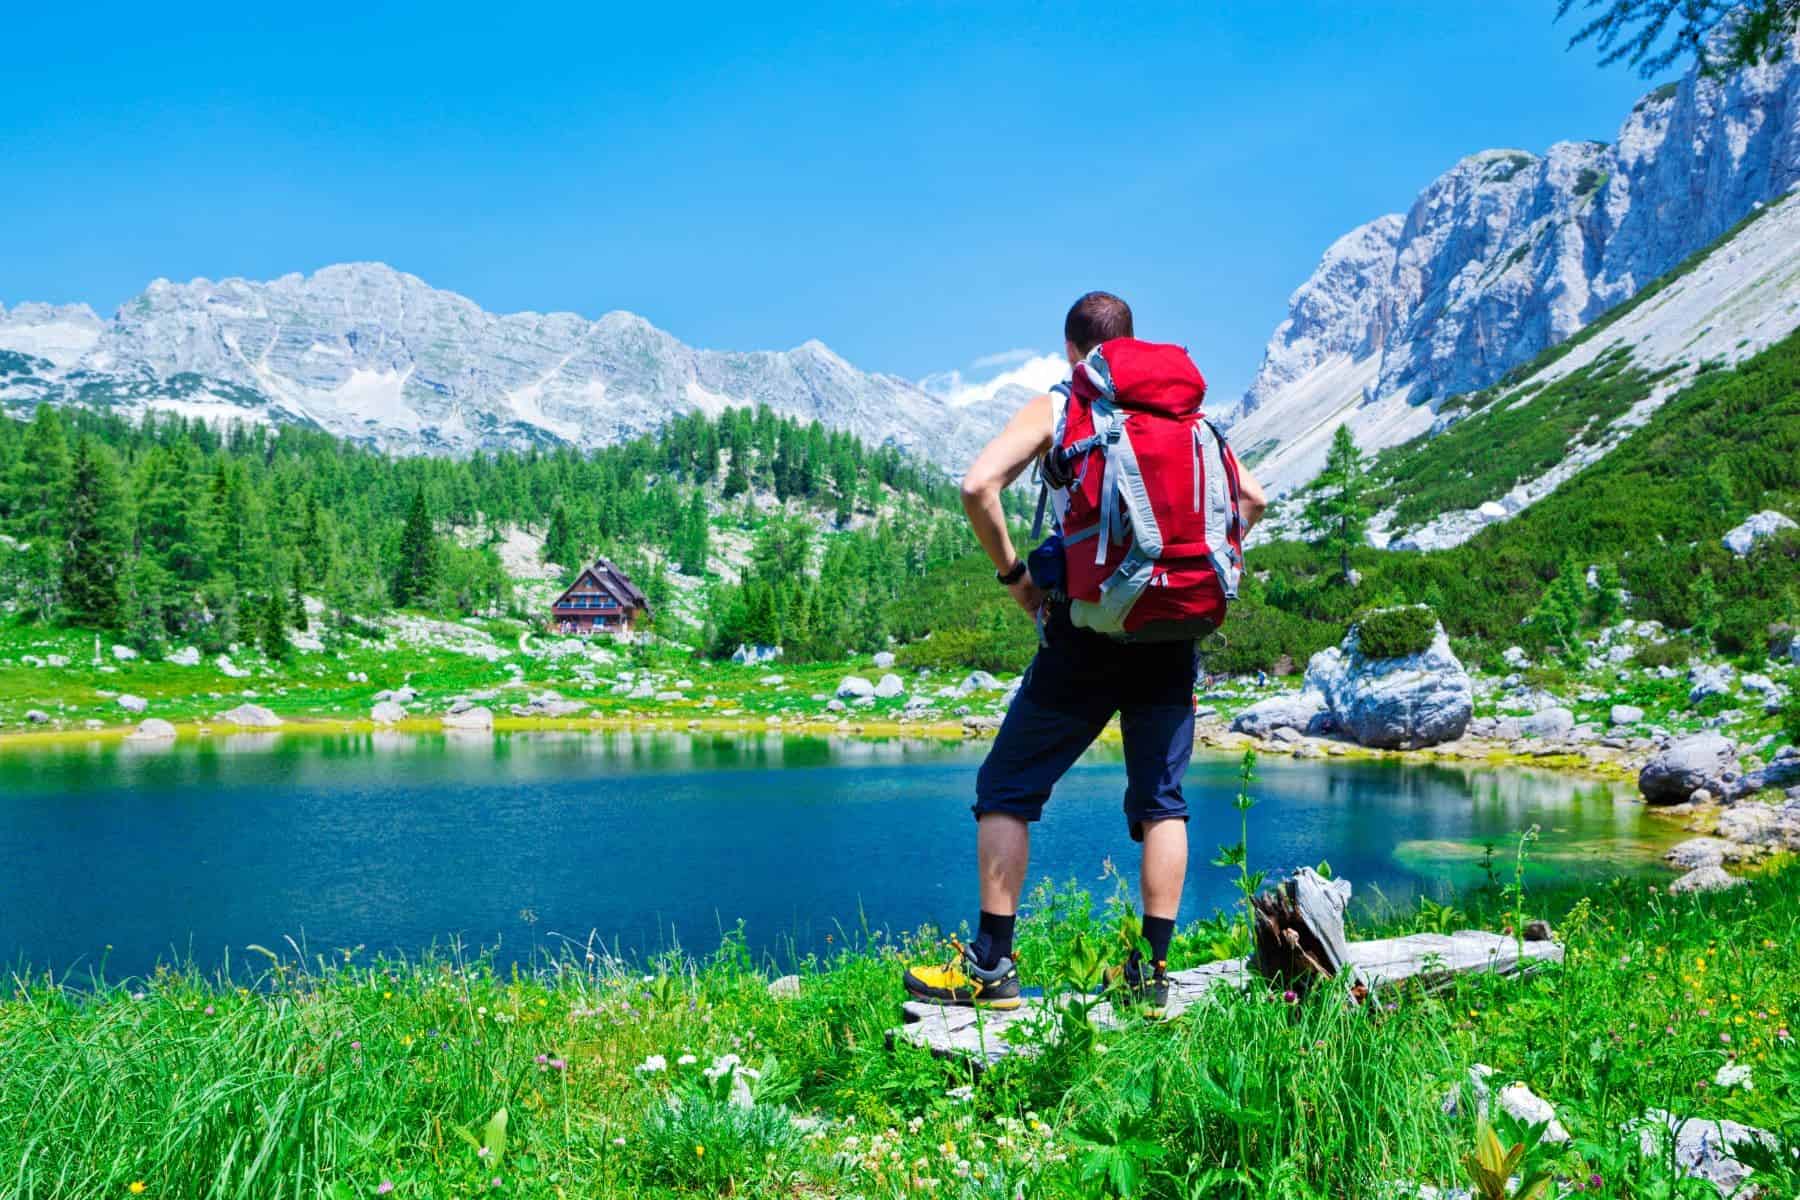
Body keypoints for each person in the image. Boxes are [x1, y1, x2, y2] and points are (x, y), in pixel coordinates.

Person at [903, 291, 1266, 1017]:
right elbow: (1250, 501)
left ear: (1074, 349)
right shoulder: (1186, 415)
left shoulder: (1064, 402)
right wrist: (1172, 577)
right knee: (1162, 804)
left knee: (1006, 788)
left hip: (1086, 635)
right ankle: (1151, 976)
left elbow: (978, 486)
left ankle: (991, 967)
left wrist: (1017, 580)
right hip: (1171, 636)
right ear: (1131, 341)